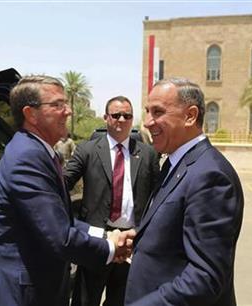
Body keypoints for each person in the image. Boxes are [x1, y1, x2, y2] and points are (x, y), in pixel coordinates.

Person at [0, 75, 135, 306]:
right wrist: (112, 247)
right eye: (57, 105)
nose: (68, 111)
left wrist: (103, 234)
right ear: (31, 114)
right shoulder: (27, 157)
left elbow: (59, 220)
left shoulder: (38, 151)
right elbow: (60, 236)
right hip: (21, 293)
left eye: (66, 104)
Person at [124, 78, 244, 306]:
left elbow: (205, 277)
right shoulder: (178, 163)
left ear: (190, 115)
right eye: (147, 112)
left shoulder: (210, 176)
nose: (148, 122)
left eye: (158, 112)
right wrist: (143, 237)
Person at [64, 95, 160, 306]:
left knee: (122, 300)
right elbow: (62, 184)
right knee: (85, 300)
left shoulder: (148, 154)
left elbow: (159, 197)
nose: (122, 120)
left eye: (127, 115)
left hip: (131, 244)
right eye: (116, 115)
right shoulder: (87, 150)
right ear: (106, 118)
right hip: (97, 240)